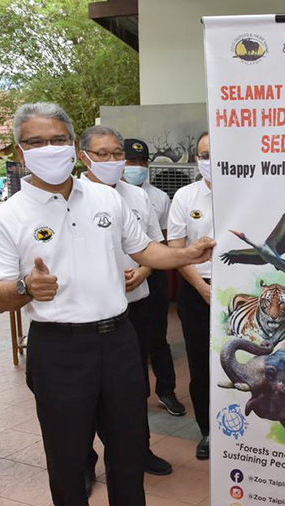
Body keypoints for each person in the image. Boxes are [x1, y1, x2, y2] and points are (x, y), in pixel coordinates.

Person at [0, 102, 215, 506]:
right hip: (59, 350)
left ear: (73, 146)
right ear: (20, 151)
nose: (49, 148)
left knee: (128, 447)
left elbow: (145, 250)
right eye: (36, 142)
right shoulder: (6, 217)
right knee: (68, 458)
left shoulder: (107, 199)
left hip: (118, 340)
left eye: (57, 139)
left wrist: (185, 255)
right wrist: (27, 286)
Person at [77, 126, 173, 479]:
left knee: (133, 385)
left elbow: (152, 242)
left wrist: (145, 269)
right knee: (86, 391)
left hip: (135, 302)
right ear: (84, 157)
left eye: (118, 154)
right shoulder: (73, 196)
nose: (113, 161)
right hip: (90, 310)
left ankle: (139, 450)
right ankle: (85, 462)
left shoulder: (137, 196)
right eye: (102, 154)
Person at [123, 138, 184, 417]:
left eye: (141, 162)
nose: (137, 167)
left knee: (157, 337)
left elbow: (162, 240)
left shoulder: (158, 197)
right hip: (122, 279)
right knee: (130, 342)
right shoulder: (108, 196)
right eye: (131, 161)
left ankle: (166, 391)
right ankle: (137, 394)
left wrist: (146, 269)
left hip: (152, 275)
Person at [167, 132, 213, 460]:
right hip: (197, 290)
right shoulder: (185, 196)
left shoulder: (247, 193)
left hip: (242, 293)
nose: (209, 161)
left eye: (216, 154)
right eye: (203, 155)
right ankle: (208, 431)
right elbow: (176, 247)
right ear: (196, 159)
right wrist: (202, 287)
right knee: (201, 365)